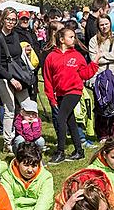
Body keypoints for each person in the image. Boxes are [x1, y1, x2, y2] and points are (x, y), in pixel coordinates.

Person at [43, 27, 100, 164]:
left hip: (74, 91)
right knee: (70, 121)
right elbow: (48, 79)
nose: (73, 39)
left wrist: (95, 62)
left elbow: (85, 74)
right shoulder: (51, 57)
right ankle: (79, 151)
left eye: (74, 37)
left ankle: (60, 151)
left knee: (61, 118)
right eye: (70, 37)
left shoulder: (77, 56)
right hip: (60, 93)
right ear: (62, 40)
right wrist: (51, 98)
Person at [0, 7, 31, 150]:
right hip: (5, 77)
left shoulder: (15, 35)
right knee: (10, 109)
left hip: (19, 74)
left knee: (27, 105)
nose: (11, 22)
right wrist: (11, 79)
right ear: (3, 19)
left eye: (13, 20)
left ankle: (29, 136)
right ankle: (8, 142)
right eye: (8, 19)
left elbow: (17, 56)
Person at [2, 141, 53, 210]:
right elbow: (7, 204)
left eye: (34, 165)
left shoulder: (46, 177)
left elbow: (43, 204)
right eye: (26, 165)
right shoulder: (6, 177)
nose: (30, 170)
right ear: (17, 162)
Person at [89, 15, 114, 141]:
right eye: (101, 25)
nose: (104, 27)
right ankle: (102, 133)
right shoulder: (94, 40)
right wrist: (110, 56)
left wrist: (104, 54)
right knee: (101, 105)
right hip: (101, 76)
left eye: (106, 24)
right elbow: (94, 59)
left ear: (110, 24)